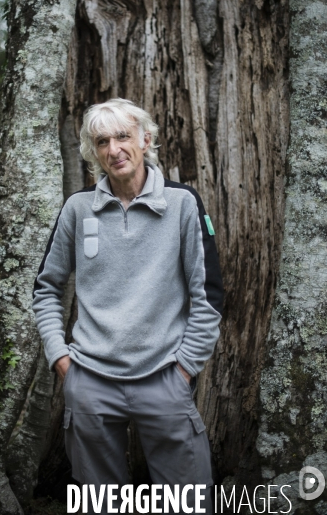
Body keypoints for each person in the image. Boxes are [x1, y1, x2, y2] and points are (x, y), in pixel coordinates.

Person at [33, 98, 223, 514]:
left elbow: (208, 294)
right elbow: (46, 289)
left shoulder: (182, 204)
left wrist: (185, 368)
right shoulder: (78, 209)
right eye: (102, 141)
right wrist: (61, 359)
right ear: (93, 151)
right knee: (101, 506)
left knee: (188, 504)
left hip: (165, 379)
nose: (114, 149)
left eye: (123, 136)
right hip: (91, 382)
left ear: (146, 140)